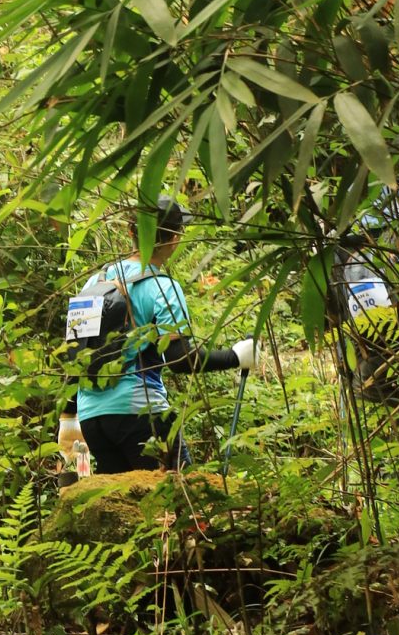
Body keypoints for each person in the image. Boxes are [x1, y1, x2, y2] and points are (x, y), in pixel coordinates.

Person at [62, 199, 257, 476]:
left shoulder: (94, 283)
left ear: (131, 232)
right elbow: (179, 360)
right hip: (142, 417)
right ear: (175, 238)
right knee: (182, 504)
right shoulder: (164, 288)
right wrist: (235, 357)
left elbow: (76, 353)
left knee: (127, 509)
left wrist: (68, 419)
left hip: (93, 420)